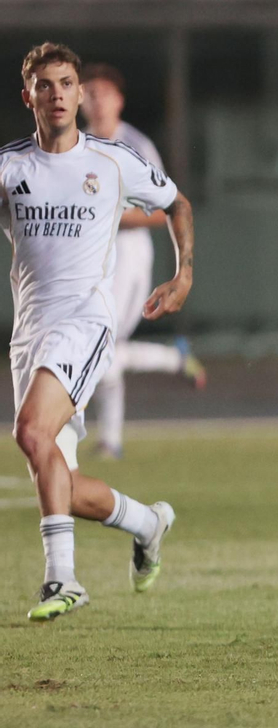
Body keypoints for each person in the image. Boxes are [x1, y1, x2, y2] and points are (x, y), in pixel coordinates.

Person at [5, 43, 193, 621]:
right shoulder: (10, 167)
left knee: (31, 431)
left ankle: (61, 580)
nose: (57, 94)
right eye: (45, 85)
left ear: (79, 93)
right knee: (59, 476)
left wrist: (183, 273)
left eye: (66, 83)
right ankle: (147, 522)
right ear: (29, 97)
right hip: (29, 334)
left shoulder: (112, 160)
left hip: (85, 321)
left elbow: (177, 204)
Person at [79, 63, 206, 460]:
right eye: (90, 94)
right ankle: (173, 359)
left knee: (101, 347)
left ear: (119, 100)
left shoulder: (135, 145)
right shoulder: (76, 145)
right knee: (104, 347)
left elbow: (165, 209)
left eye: (104, 93)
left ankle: (107, 439)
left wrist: (108, 215)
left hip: (128, 255)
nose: (97, 101)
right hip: (91, 258)